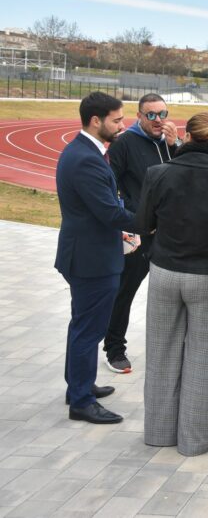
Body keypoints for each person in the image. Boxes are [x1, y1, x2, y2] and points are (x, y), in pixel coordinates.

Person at [136, 112, 208, 456]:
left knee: (161, 353)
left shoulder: (158, 173)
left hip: (165, 272)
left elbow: (143, 224)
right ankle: (194, 438)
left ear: (187, 135)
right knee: (201, 356)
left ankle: (157, 432)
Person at [54, 92, 137, 424]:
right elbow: (108, 211)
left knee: (83, 325)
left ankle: (78, 385)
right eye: (117, 120)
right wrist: (150, 220)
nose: (122, 125)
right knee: (89, 329)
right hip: (91, 259)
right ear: (95, 121)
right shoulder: (86, 158)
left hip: (87, 252)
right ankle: (81, 401)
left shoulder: (84, 150)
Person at [104, 93, 181, 375]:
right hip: (139, 232)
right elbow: (108, 184)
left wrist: (176, 145)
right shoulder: (124, 143)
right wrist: (126, 222)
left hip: (169, 232)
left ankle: (170, 347)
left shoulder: (171, 144)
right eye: (151, 115)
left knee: (173, 292)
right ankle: (114, 348)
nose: (159, 120)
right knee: (124, 291)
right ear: (139, 116)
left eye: (163, 114)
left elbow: (185, 173)